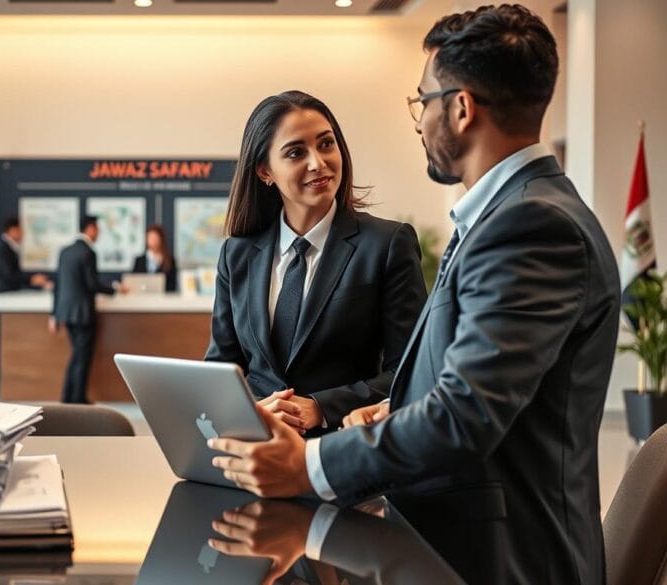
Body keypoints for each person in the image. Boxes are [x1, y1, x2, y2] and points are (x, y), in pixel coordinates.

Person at [208, 6, 619, 584]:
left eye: (421, 101)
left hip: (501, 559)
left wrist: (308, 464)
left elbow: (466, 415)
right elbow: (482, 389)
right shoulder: (510, 213)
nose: (418, 120)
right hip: (442, 540)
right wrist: (400, 404)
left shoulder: (530, 225)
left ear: (460, 107)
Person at [205, 90, 427, 436]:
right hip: (257, 446)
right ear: (265, 171)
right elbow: (222, 368)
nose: (317, 163)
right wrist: (254, 410)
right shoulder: (238, 254)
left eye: (326, 144)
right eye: (296, 152)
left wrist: (322, 407)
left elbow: (412, 370)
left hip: (343, 449)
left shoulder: (386, 244)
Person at [50, 216, 124, 403]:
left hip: (66, 313)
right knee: (81, 358)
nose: (98, 233)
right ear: (90, 229)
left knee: (76, 355)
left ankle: (68, 397)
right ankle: (77, 399)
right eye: (97, 229)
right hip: (83, 314)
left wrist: (54, 314)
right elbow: (92, 284)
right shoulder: (88, 252)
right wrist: (115, 288)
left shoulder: (65, 252)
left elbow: (57, 284)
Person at [0, 216, 50, 390]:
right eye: (20, 229)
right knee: (1, 333)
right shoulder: (2, 249)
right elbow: (10, 276)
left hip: (7, 296)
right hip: (2, 296)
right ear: (12, 230)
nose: (23, 233)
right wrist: (32, 279)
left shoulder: (8, 248)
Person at [131, 224, 178, 292]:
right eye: (149, 237)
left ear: (161, 239)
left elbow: (172, 285)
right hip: (142, 298)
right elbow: (134, 282)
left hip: (162, 299)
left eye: (155, 238)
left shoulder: (170, 261)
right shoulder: (139, 261)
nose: (152, 241)